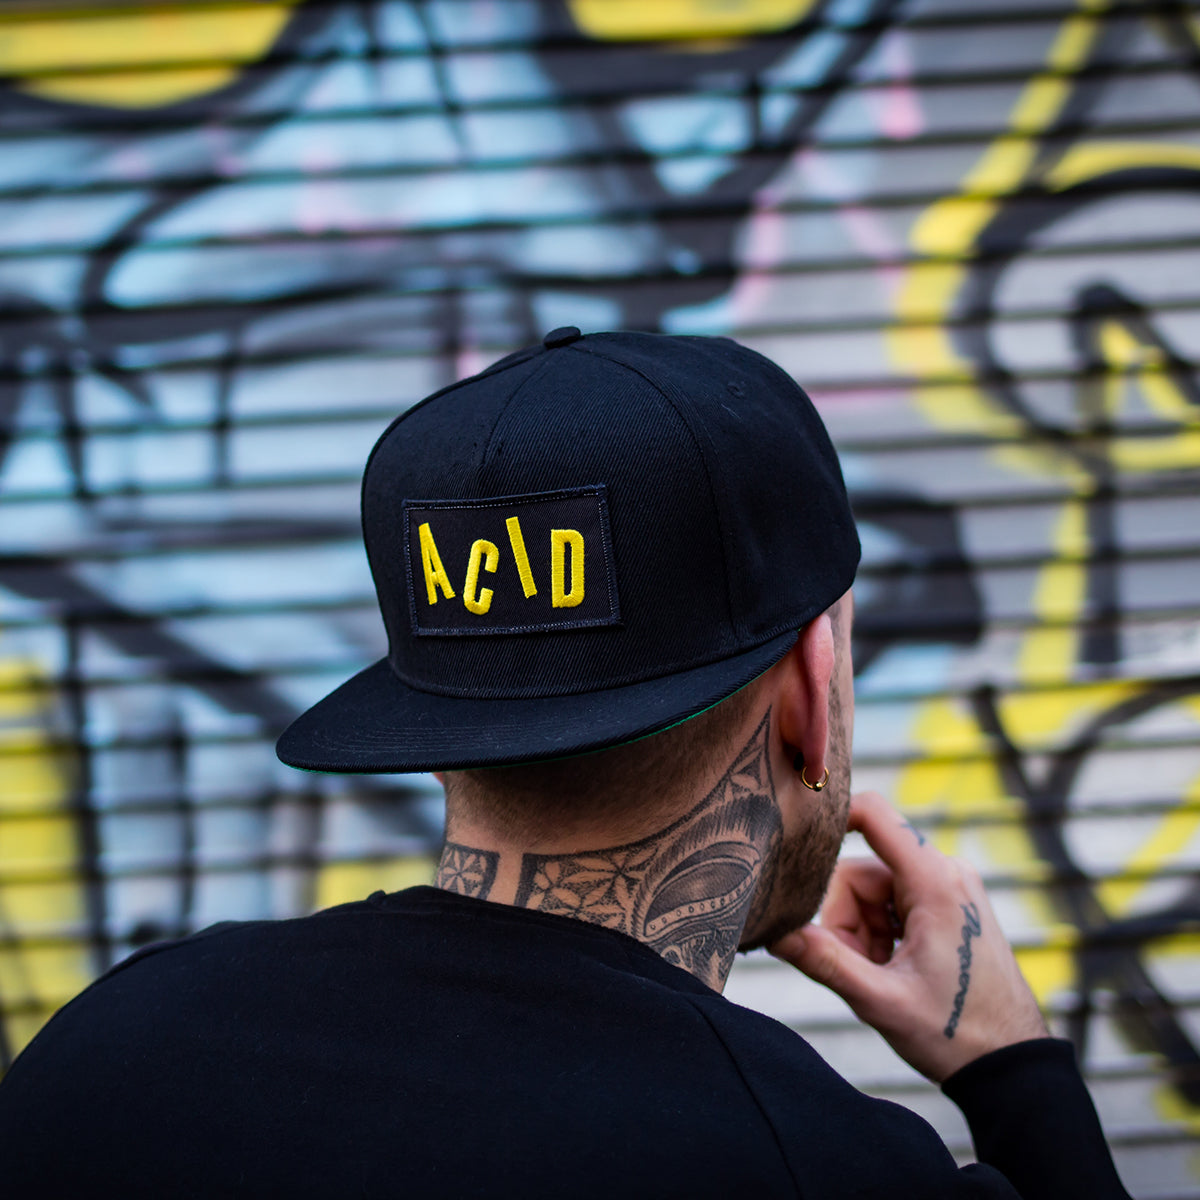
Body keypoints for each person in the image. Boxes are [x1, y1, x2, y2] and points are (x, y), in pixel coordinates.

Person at [0, 329, 1129, 1198]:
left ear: (435, 714)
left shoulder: (108, 1054)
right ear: (809, 686)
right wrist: (1014, 1071)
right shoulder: (819, 1165)